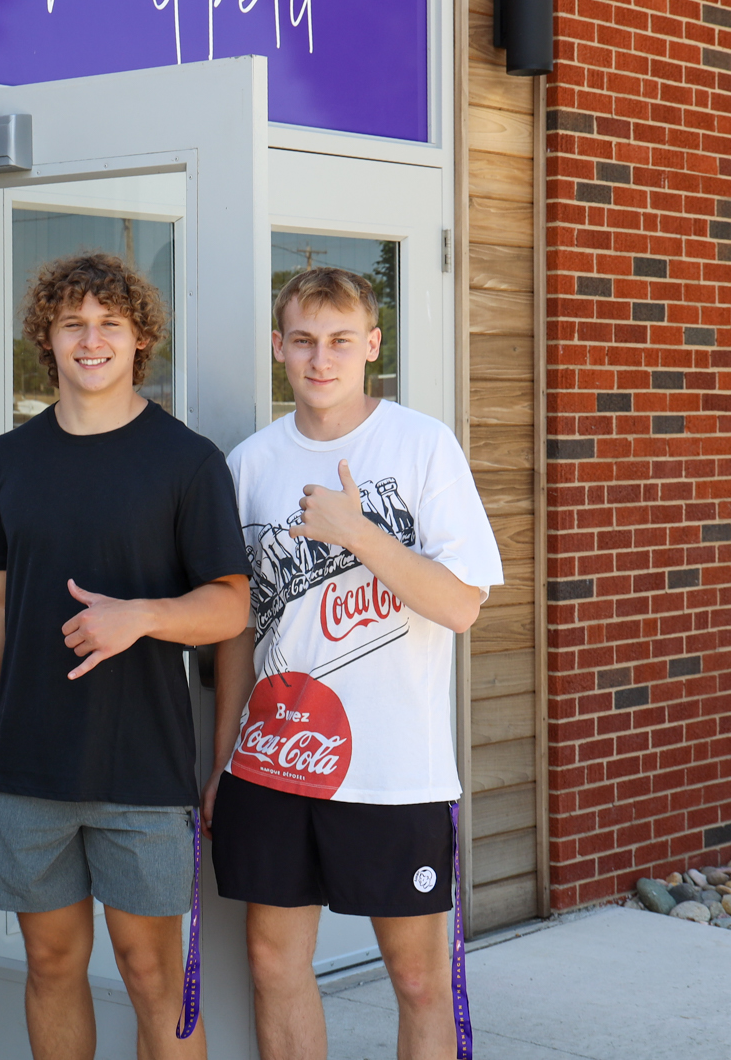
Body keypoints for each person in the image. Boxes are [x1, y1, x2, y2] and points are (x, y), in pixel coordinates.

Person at [0, 251, 250, 1060]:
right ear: (45, 338)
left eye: (109, 324)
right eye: (72, 323)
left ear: (139, 336)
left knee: (153, 975)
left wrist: (141, 617)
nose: (91, 340)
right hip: (32, 769)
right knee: (49, 962)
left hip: (144, 773)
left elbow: (230, 602)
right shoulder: (9, 459)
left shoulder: (187, 461)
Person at [206, 266, 502, 1060]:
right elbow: (238, 626)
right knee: (273, 963)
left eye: (340, 340)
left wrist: (361, 532)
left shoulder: (422, 444)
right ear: (279, 346)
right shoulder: (250, 463)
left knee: (418, 981)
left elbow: (463, 604)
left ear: (372, 345)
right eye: (303, 340)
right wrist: (220, 754)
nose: (320, 358)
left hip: (396, 769)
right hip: (274, 761)